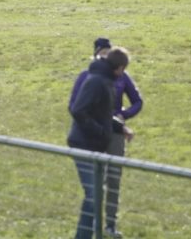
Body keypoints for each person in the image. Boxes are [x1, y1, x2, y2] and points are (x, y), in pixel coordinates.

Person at [69, 38, 141, 238]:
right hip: (82, 143)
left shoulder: (104, 79)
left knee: (94, 195)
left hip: (92, 142)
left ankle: (87, 234)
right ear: (118, 68)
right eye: (123, 70)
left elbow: (102, 113)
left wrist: (120, 127)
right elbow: (78, 110)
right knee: (94, 194)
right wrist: (101, 132)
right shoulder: (96, 81)